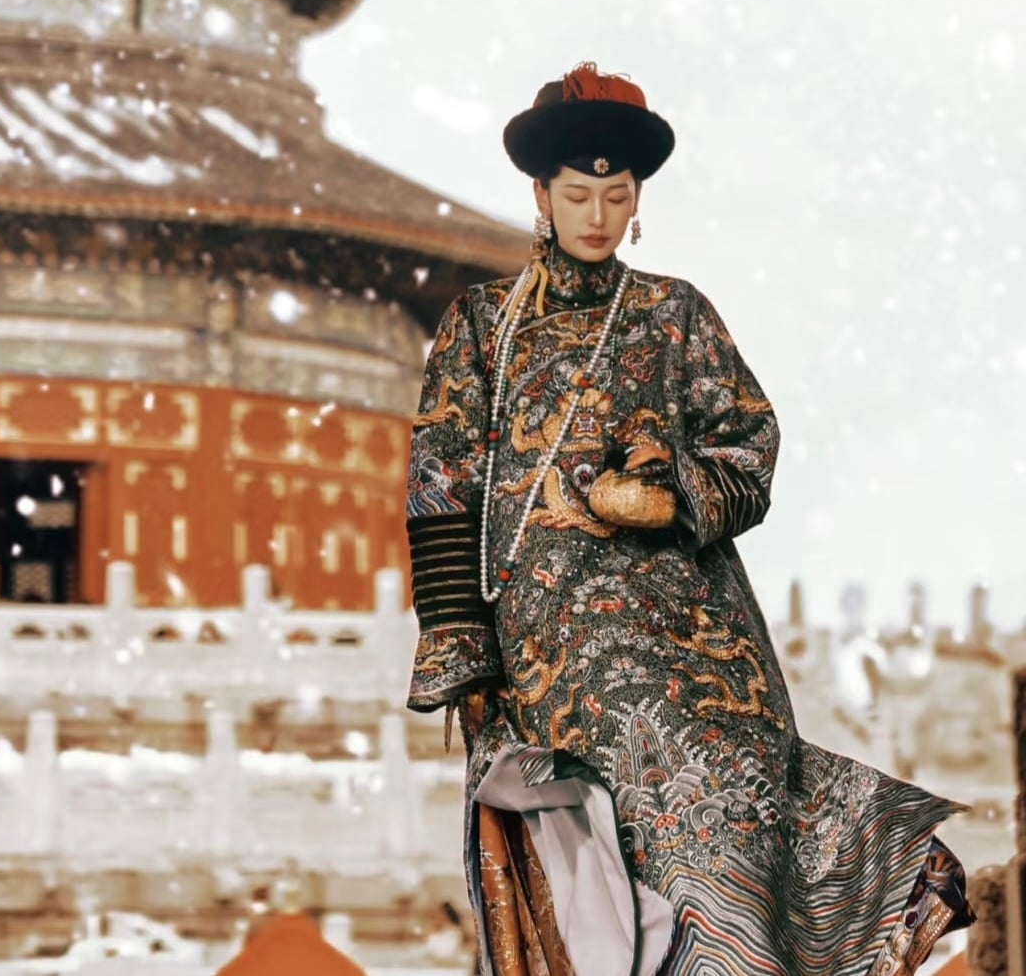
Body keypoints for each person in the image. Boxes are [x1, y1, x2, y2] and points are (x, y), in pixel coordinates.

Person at [404, 62, 974, 976]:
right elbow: (441, 485)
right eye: (578, 193)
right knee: (596, 871)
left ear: (637, 204)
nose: (597, 213)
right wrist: (462, 644)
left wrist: (672, 498)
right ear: (541, 197)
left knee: (727, 824)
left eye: (616, 194)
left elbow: (750, 449)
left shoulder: (676, 315)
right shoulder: (480, 326)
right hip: (549, 654)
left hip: (692, 642)